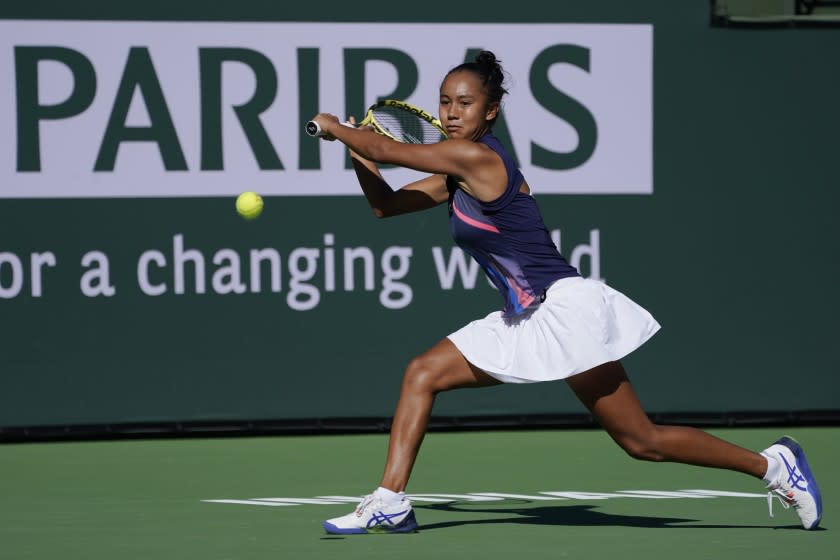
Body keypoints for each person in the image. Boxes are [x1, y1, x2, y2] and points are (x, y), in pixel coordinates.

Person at [307, 51, 822, 534]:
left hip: (564, 309)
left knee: (641, 441)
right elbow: (386, 206)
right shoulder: (455, 171)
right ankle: (391, 502)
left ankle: (773, 466)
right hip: (521, 317)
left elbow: (391, 148)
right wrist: (358, 151)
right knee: (422, 373)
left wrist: (345, 130)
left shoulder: (474, 158)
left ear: (491, 111)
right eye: (445, 101)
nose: (452, 111)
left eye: (465, 103)